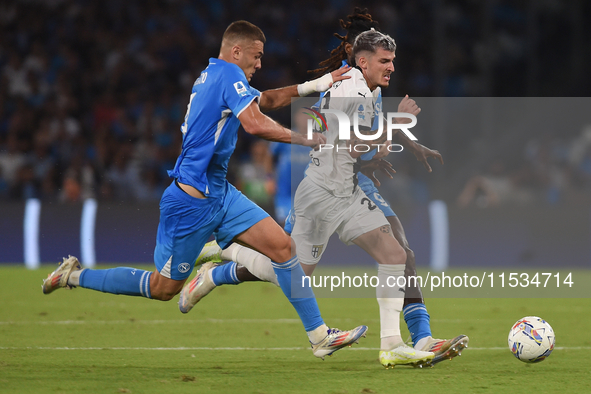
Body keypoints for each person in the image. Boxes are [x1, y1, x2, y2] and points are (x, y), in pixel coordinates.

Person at [42, 20, 368, 360]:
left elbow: (266, 100)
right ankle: (74, 276)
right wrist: (304, 139)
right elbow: (255, 123)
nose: (260, 64)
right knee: (163, 288)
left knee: (284, 248)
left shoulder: (217, 76)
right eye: (256, 57)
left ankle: (319, 336)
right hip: (191, 203)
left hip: (220, 194)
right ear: (236, 51)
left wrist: (320, 83)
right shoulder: (228, 76)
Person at [187, 9, 468, 368]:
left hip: (346, 189)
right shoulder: (349, 90)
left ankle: (394, 345)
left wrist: (396, 141)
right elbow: (351, 143)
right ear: (363, 61)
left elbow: (361, 142)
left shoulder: (368, 88)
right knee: (291, 273)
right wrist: (395, 129)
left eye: (393, 60)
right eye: (386, 61)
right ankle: (225, 258)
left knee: (396, 254)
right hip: (321, 194)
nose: (392, 68)